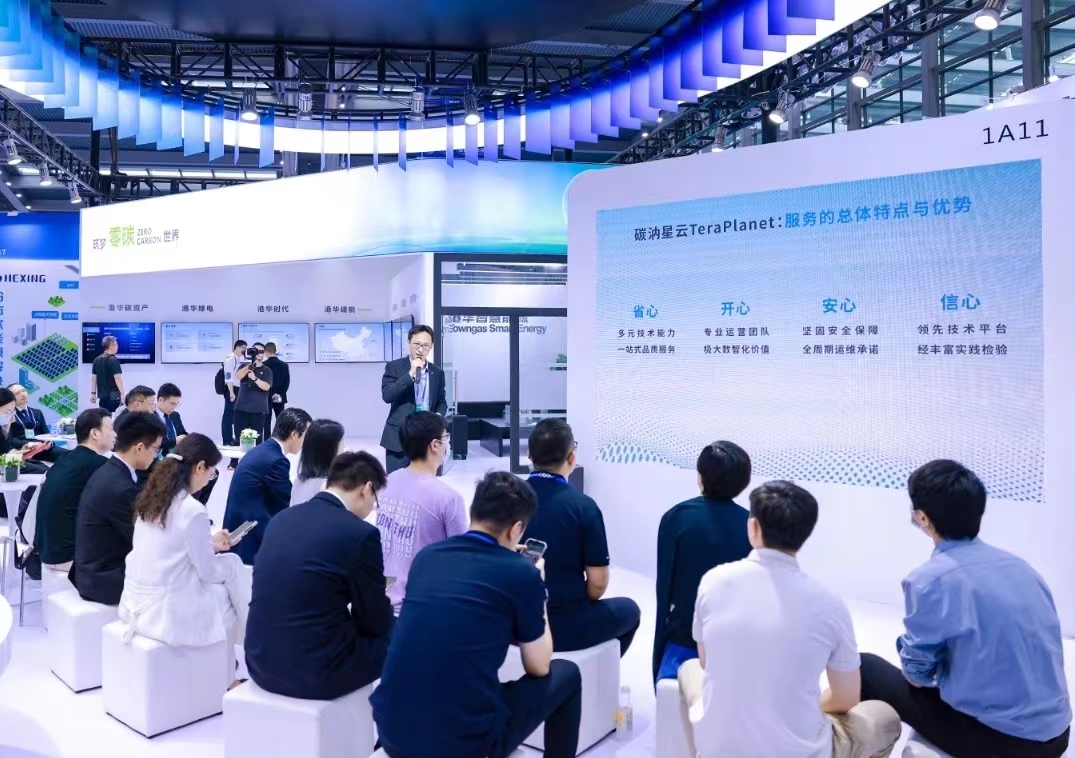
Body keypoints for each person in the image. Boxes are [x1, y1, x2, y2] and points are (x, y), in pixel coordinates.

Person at [860, 460, 1071, 758]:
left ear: (922, 517)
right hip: (1059, 736)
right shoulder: (1022, 568)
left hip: (1001, 743)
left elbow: (916, 676)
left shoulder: (928, 580)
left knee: (863, 667)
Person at [679, 480, 901, 758]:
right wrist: (794, 712)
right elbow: (846, 698)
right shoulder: (829, 603)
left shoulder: (713, 580)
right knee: (884, 717)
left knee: (689, 668)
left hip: (719, 750)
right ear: (805, 534)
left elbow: (707, 661)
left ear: (753, 527)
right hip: (798, 750)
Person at [372, 472, 583, 758]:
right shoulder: (521, 574)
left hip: (391, 731)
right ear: (516, 529)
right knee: (567, 674)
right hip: (462, 744)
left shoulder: (429, 557)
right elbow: (539, 666)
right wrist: (538, 587)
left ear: (473, 510)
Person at [246, 451, 391, 700]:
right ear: (366, 489)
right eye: (375, 499)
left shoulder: (282, 519)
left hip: (259, 662)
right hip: (317, 674)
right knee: (401, 632)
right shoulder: (360, 533)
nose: (371, 508)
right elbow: (373, 618)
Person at [119, 434, 251, 654]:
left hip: (133, 600)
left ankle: (247, 642)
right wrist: (230, 565)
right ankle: (249, 644)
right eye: (211, 472)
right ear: (200, 467)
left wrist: (210, 544)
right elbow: (208, 572)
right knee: (233, 572)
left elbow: (170, 547)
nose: (209, 479)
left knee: (230, 574)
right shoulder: (192, 509)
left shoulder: (151, 500)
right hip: (165, 613)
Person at [522, 418, 640, 656]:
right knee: (630, 610)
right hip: (564, 626)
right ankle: (592, 669)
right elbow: (598, 584)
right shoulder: (584, 507)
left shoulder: (506, 499)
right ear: (571, 458)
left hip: (514, 622)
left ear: (529, 456)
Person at [653, 440, 753, 682]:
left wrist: (658, 654)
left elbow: (665, 587)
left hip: (683, 636)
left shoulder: (676, 517)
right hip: (735, 639)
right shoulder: (753, 525)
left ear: (700, 476)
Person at [376, 411, 466, 614]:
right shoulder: (448, 498)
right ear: (435, 445)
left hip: (382, 600)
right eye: (446, 438)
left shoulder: (386, 483)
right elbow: (461, 560)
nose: (448, 444)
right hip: (421, 607)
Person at [72, 412, 166, 605]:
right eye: (156, 449)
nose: (156, 455)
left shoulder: (110, 471)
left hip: (91, 569)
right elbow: (143, 540)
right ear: (139, 447)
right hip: (103, 579)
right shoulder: (120, 487)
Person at [222, 407, 311, 565]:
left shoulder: (263, 450)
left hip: (239, 528)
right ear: (294, 434)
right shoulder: (276, 460)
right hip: (251, 536)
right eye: (306, 436)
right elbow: (288, 500)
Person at [33, 409, 114, 571]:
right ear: (95, 433)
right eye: (111, 429)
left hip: (46, 551)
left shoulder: (65, 459)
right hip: (70, 556)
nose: (115, 434)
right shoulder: (98, 465)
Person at [380, 325, 447, 474]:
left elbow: (442, 402)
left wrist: (437, 417)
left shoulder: (437, 372)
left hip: (427, 437)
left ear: (431, 347)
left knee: (424, 483)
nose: (420, 349)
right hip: (399, 436)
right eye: (416, 344)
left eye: (425, 345)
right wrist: (410, 374)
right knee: (396, 481)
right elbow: (387, 396)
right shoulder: (394, 367)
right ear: (409, 343)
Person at [290, 419, 345, 506]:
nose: (344, 447)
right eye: (341, 442)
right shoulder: (328, 487)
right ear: (329, 450)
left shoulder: (299, 480)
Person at [7, 383, 65, 462]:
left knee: (70, 455)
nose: (22, 394)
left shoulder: (37, 412)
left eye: (23, 391)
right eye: (17, 393)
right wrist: (29, 444)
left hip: (43, 448)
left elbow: (46, 433)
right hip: (23, 450)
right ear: (11, 399)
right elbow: (10, 439)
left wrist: (49, 443)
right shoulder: (8, 415)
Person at [234, 342, 273, 445]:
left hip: (258, 410)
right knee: (239, 439)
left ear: (264, 354)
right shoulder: (244, 366)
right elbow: (238, 376)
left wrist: (255, 378)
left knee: (257, 441)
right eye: (256, 351)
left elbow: (266, 387)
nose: (258, 353)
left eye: (261, 351)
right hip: (241, 408)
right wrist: (249, 366)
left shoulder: (267, 370)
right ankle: (237, 456)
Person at [262, 342, 290, 442]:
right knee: (280, 420)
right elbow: (286, 382)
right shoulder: (284, 365)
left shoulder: (264, 365)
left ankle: (267, 441)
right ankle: (280, 440)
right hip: (280, 397)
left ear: (266, 351)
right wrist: (280, 394)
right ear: (275, 350)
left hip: (266, 396)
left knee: (266, 421)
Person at [90, 335, 125, 413]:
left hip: (102, 396)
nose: (117, 346)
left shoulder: (96, 359)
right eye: (116, 344)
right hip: (114, 395)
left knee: (104, 415)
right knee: (115, 415)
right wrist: (122, 394)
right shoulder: (114, 360)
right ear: (111, 345)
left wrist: (93, 394)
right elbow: (117, 378)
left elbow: (94, 378)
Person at [222, 340, 247, 447]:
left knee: (234, 415)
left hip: (236, 389)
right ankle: (227, 440)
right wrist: (231, 392)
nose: (244, 350)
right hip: (231, 389)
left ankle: (231, 438)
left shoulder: (238, 359)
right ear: (237, 347)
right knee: (228, 415)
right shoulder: (231, 359)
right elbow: (228, 376)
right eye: (243, 348)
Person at [156, 383, 188, 457]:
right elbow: (155, 443)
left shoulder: (175, 415)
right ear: (161, 400)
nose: (174, 407)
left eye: (176, 404)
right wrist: (174, 442)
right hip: (159, 458)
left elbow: (182, 433)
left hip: (177, 456)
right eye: (172, 404)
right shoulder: (151, 417)